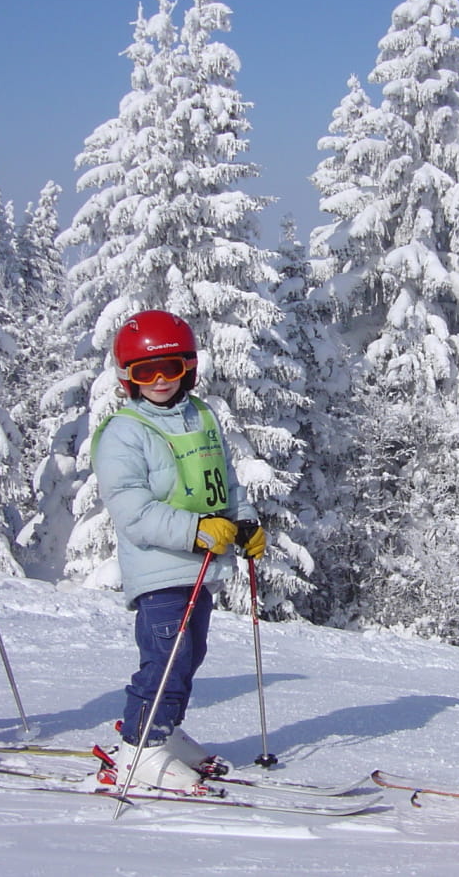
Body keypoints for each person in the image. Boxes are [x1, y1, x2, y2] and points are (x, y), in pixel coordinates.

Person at [83, 310, 265, 794]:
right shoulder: (124, 431)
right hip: (160, 566)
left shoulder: (202, 415)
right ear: (128, 378)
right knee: (166, 657)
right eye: (145, 372)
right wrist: (199, 529)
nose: (160, 381)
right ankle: (139, 749)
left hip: (201, 564)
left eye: (171, 369)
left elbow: (221, 481)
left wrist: (242, 521)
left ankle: (164, 731)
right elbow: (134, 512)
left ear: (190, 368)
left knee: (189, 655)